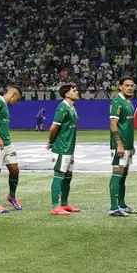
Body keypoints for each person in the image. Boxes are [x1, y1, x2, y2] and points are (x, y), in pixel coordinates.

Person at [0, 84, 22, 214]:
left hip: (7, 143)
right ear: (13, 94)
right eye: (17, 99)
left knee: (15, 170)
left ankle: (11, 196)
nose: (16, 102)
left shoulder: (4, 105)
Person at [48, 84, 80, 216]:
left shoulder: (72, 107)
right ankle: (55, 206)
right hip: (61, 148)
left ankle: (65, 204)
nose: (77, 92)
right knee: (59, 175)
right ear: (66, 94)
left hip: (69, 148)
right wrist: (51, 142)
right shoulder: (62, 107)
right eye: (74, 90)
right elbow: (53, 127)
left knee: (68, 176)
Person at [108, 77, 137, 217]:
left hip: (127, 145)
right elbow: (113, 124)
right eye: (127, 85)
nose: (130, 88)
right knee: (117, 174)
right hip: (119, 146)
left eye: (132, 85)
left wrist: (131, 145)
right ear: (120, 87)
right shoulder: (117, 102)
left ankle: (122, 204)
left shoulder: (128, 102)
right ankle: (114, 208)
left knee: (123, 176)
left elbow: (127, 126)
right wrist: (119, 144)